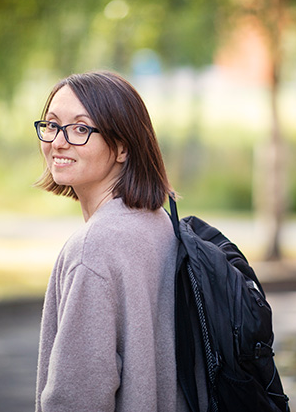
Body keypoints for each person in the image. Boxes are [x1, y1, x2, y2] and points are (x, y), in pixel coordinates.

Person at [33, 71, 185, 412]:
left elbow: (75, 399)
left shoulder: (93, 249)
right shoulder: (159, 223)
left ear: (120, 147)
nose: (58, 141)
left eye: (80, 128)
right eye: (52, 124)